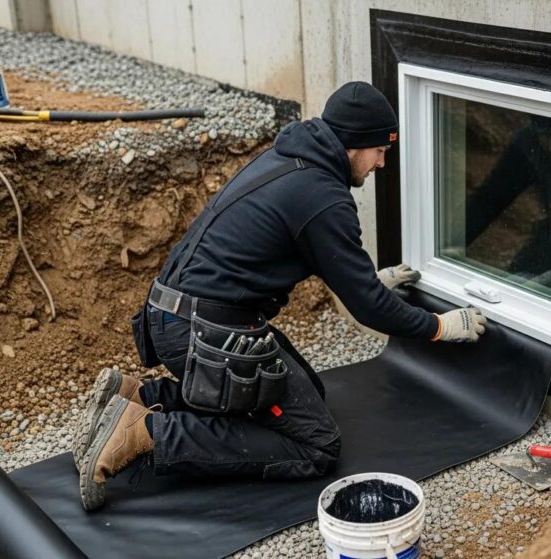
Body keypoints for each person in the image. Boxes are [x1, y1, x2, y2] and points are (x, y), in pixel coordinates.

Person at [73, 82, 487, 511]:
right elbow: (367, 308)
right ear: (354, 144)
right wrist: (441, 326)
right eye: (380, 150)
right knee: (316, 445)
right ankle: (145, 433)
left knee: (306, 393)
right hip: (203, 329)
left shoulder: (289, 160)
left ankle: (139, 396)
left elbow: (297, 251)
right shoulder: (324, 196)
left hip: (174, 313)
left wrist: (367, 279)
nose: (382, 161)